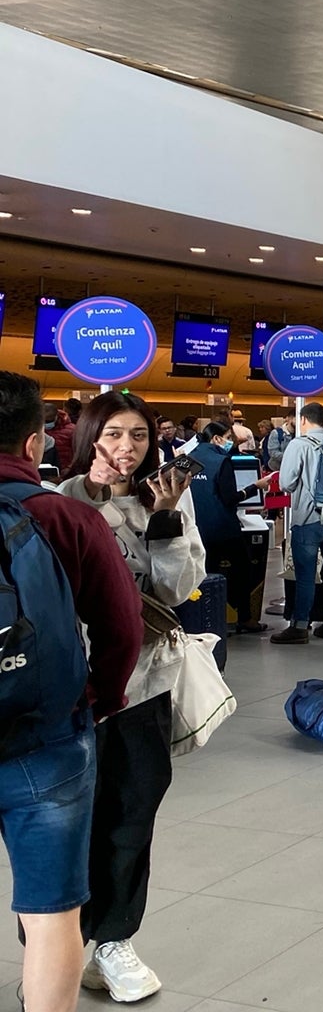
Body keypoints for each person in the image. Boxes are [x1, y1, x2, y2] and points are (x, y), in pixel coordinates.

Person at [0, 373, 144, 1012]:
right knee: (54, 909)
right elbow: (122, 629)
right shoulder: (66, 517)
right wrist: (98, 699)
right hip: (46, 737)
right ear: (34, 445)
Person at [56, 391, 205, 1005]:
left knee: (131, 811)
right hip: (69, 689)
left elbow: (177, 591)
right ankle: (57, 941)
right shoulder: (58, 503)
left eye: (139, 436)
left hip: (142, 685)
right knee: (65, 820)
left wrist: (167, 520)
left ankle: (114, 940)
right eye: (115, 434)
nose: (127, 449)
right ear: (92, 436)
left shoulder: (165, 498)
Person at [270, 401, 323, 644]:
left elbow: (286, 483)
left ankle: (299, 626)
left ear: (303, 420)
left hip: (307, 518)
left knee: (305, 575)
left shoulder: (299, 444)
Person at [187, 420, 266, 632]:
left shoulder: (188, 459)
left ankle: (204, 620)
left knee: (202, 574)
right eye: (229, 438)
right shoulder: (221, 462)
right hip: (223, 528)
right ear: (217, 439)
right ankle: (245, 618)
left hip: (196, 528)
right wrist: (254, 487)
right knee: (242, 572)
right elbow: (230, 498)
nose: (230, 442)